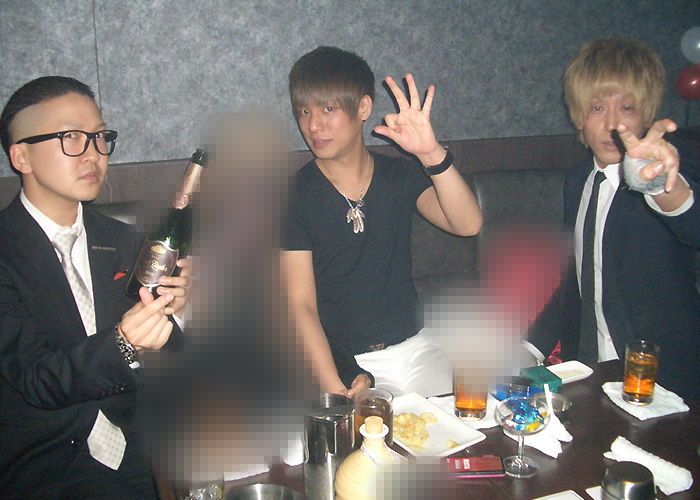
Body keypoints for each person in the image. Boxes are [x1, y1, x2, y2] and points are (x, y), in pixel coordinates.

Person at [0, 76, 191, 499]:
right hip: (45, 462)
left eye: (100, 137)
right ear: (21, 156)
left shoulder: (124, 240)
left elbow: (172, 364)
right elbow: (37, 377)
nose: (93, 153)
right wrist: (124, 342)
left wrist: (177, 316)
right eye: (71, 137)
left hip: (140, 446)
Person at [281, 46, 482, 398]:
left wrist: (430, 153)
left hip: (418, 346)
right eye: (304, 111)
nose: (313, 125)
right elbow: (301, 306)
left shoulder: (398, 175)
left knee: (470, 412)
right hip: (349, 363)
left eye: (328, 109)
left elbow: (468, 224)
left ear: (363, 108)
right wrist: (335, 389)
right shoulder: (295, 194)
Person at [526, 39, 700, 400]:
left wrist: (657, 183)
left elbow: (692, 223)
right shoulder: (578, 180)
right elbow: (577, 281)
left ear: (646, 115)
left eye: (627, 107)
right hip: (588, 374)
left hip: (661, 381)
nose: (612, 124)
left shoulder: (666, 170)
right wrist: (528, 349)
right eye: (597, 108)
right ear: (578, 117)